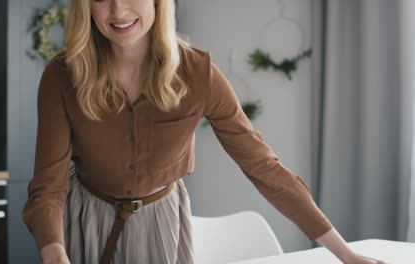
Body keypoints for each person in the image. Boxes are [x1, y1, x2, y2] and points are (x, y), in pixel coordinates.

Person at [22, 0, 387, 263]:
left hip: (162, 220)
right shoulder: (61, 76)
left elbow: (264, 168)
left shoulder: (199, 74)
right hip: (88, 220)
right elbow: (48, 188)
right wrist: (55, 254)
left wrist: (346, 255)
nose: (118, 11)